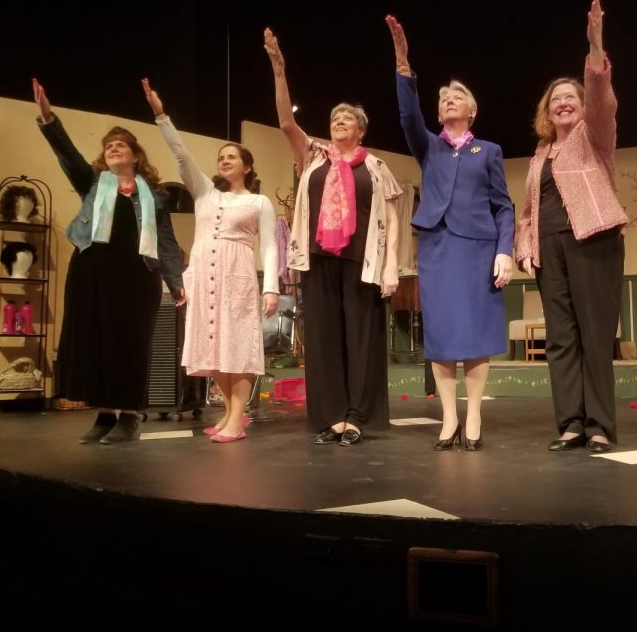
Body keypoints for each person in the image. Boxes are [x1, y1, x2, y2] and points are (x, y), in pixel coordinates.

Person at [264, 28, 402, 447]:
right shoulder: (314, 157)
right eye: (333, 118)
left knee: (361, 339)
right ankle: (333, 417)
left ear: (360, 129)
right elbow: (286, 121)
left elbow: (392, 218)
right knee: (325, 340)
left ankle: (359, 415)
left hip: (364, 261)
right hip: (320, 258)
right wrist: (278, 69)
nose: (338, 121)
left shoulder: (376, 166)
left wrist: (392, 264)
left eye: (347, 118)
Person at [386, 15, 515, 452]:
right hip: (438, 248)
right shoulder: (430, 147)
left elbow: (504, 206)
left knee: (475, 335)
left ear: (472, 109)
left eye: (456, 98)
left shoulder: (489, 151)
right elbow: (408, 115)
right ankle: (448, 416)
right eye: (443, 100)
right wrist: (404, 66)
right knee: (441, 335)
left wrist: (505, 251)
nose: (447, 103)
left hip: (479, 248)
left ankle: (474, 413)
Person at [33, 79, 184, 444]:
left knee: (131, 343)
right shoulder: (93, 182)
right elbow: (67, 155)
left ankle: (129, 416)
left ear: (134, 155)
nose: (114, 148)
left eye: (121, 145)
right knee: (97, 341)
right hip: (93, 272)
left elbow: (165, 241)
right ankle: (104, 414)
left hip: (137, 276)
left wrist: (176, 280)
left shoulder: (156, 196)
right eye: (109, 146)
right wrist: (49, 119)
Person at [514, 0, 628, 454]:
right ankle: (571, 424)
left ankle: (600, 425)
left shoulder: (594, 136)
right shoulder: (540, 156)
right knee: (560, 339)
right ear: (547, 110)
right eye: (555, 99)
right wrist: (525, 247)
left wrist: (595, 47)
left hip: (593, 240)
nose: (563, 103)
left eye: (570, 97)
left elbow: (602, 99)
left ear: (582, 107)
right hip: (550, 249)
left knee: (596, 336)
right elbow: (526, 211)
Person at [143, 79, 279, 443]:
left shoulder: (258, 202)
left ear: (247, 166)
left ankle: (237, 418)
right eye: (221, 157)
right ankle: (230, 414)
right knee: (210, 345)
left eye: (232, 156)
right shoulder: (205, 192)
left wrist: (271, 289)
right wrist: (161, 115)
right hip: (202, 275)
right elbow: (180, 154)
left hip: (237, 275)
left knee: (238, 347)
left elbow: (269, 247)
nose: (224, 160)